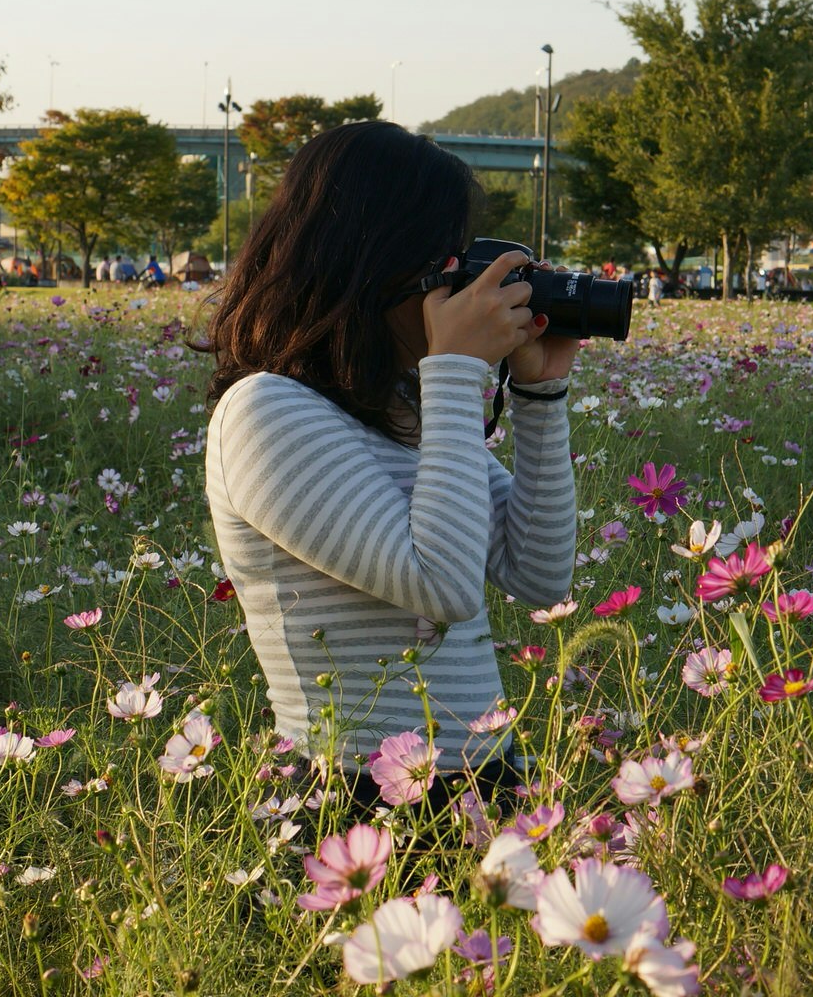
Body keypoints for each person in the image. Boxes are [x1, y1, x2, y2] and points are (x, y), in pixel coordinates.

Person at [202, 121, 577, 811]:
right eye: (450, 263)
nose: (466, 289)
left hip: (487, 778)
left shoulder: (407, 408)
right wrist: (458, 369)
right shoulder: (266, 412)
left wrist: (540, 393)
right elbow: (442, 585)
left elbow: (541, 574)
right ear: (380, 263)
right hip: (353, 795)